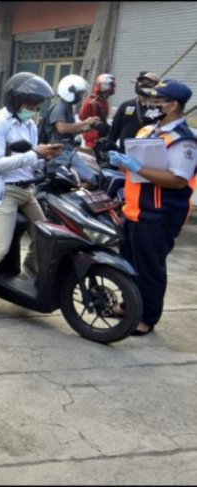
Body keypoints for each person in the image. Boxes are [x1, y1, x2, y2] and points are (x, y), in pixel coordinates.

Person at [0, 72, 62, 327]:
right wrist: (34, 154)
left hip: (26, 190)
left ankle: (28, 273)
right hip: (0, 192)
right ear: (15, 100)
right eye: (30, 105)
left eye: (36, 106)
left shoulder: (28, 124)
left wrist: (44, 158)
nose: (34, 110)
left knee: (46, 235)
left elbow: (30, 158)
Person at [108, 80, 197, 336]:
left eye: (157, 101)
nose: (150, 105)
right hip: (134, 209)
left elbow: (177, 179)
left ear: (173, 105)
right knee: (130, 264)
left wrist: (136, 167)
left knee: (150, 268)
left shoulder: (183, 141)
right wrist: (123, 164)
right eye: (150, 100)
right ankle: (130, 306)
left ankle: (147, 318)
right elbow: (139, 165)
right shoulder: (148, 131)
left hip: (159, 214)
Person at [108, 71, 162, 152]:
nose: (142, 85)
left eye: (148, 83)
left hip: (147, 156)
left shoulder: (161, 108)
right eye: (140, 82)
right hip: (123, 155)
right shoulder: (126, 105)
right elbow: (113, 134)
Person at [42, 74, 100, 147]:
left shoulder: (68, 107)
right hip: (58, 149)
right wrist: (85, 122)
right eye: (78, 94)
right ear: (68, 92)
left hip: (67, 146)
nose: (80, 97)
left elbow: (69, 130)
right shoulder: (60, 107)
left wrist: (83, 129)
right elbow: (62, 128)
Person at [79, 73, 116, 149]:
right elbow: (82, 116)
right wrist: (89, 105)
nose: (108, 92)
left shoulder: (104, 101)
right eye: (109, 85)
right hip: (92, 138)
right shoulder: (92, 100)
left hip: (100, 136)